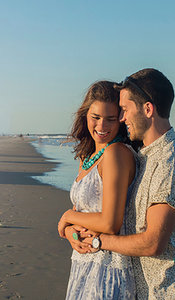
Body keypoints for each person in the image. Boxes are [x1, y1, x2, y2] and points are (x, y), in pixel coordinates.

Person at [72, 69, 175, 299]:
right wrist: (72, 231)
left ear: (148, 109)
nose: (122, 118)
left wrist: (97, 241)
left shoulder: (171, 163)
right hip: (151, 288)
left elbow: (153, 243)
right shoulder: (145, 156)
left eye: (125, 110)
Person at [57, 80, 137, 299]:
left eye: (111, 119)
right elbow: (81, 215)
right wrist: (71, 231)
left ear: (121, 119)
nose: (102, 127)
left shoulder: (116, 154)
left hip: (107, 269)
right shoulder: (89, 156)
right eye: (96, 118)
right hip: (84, 263)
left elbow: (110, 223)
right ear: (85, 116)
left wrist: (67, 216)